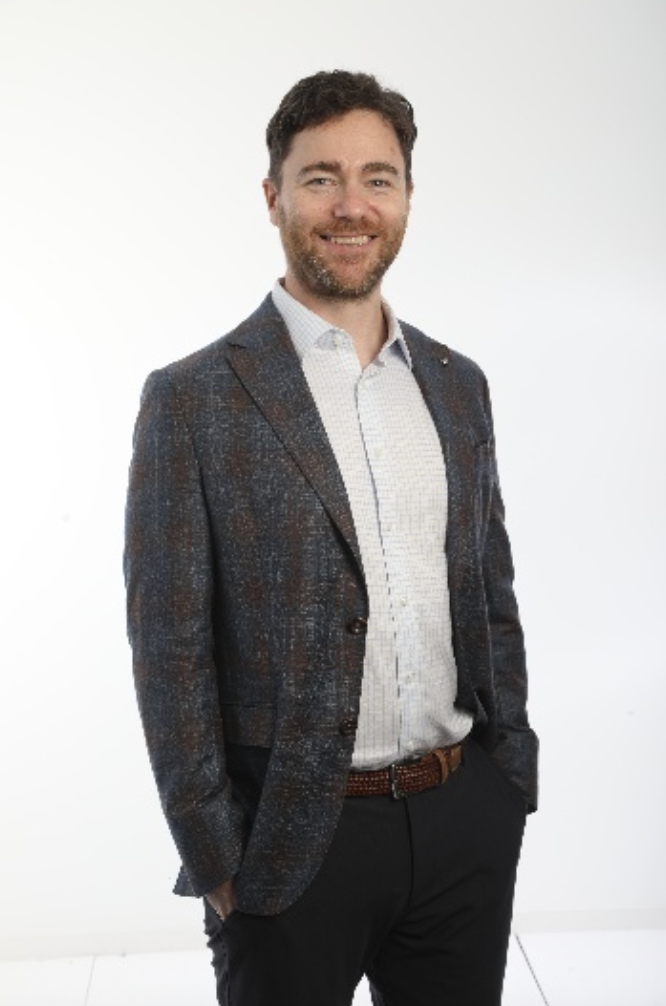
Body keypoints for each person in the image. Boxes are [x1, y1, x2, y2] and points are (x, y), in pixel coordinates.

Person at [125, 69, 538, 1006]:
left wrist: (507, 778)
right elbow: (169, 652)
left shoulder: (456, 383)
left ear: (406, 198)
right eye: (320, 178)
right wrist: (216, 853)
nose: (351, 206)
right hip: (288, 844)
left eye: (377, 178)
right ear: (273, 197)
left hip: (460, 820)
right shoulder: (193, 401)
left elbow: (491, 593)